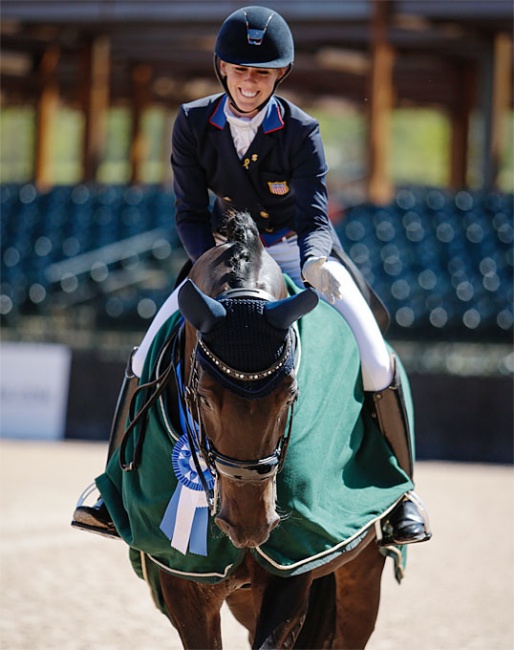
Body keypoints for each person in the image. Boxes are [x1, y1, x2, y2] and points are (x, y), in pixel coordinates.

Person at [72, 5, 431, 546]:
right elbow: (189, 213)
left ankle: (402, 495)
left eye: (261, 72)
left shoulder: (302, 131)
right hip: (223, 257)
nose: (249, 82)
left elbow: (313, 216)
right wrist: (209, 265)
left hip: (292, 253)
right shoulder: (193, 121)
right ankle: (109, 490)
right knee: (146, 352)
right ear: (222, 68)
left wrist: (313, 260)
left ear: (278, 75)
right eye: (240, 70)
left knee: (375, 353)